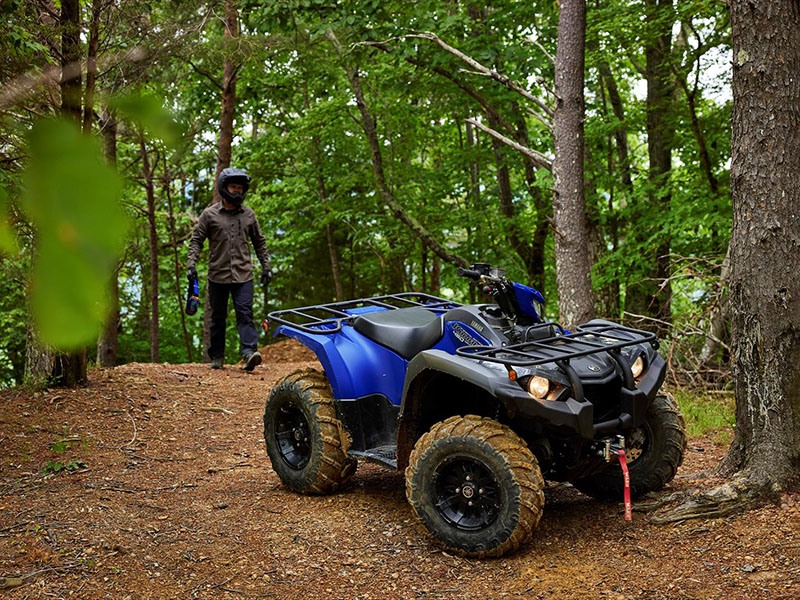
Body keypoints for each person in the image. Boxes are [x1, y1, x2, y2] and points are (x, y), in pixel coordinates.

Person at [187, 167, 271, 371]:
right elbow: (197, 240)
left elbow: (259, 242)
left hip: (244, 274)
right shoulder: (209, 215)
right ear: (224, 188)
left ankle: (249, 353)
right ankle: (217, 356)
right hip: (217, 275)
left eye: (240, 188)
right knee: (217, 317)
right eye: (233, 187)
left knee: (245, 313)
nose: (237, 191)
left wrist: (266, 266)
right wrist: (191, 264)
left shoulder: (249, 215)